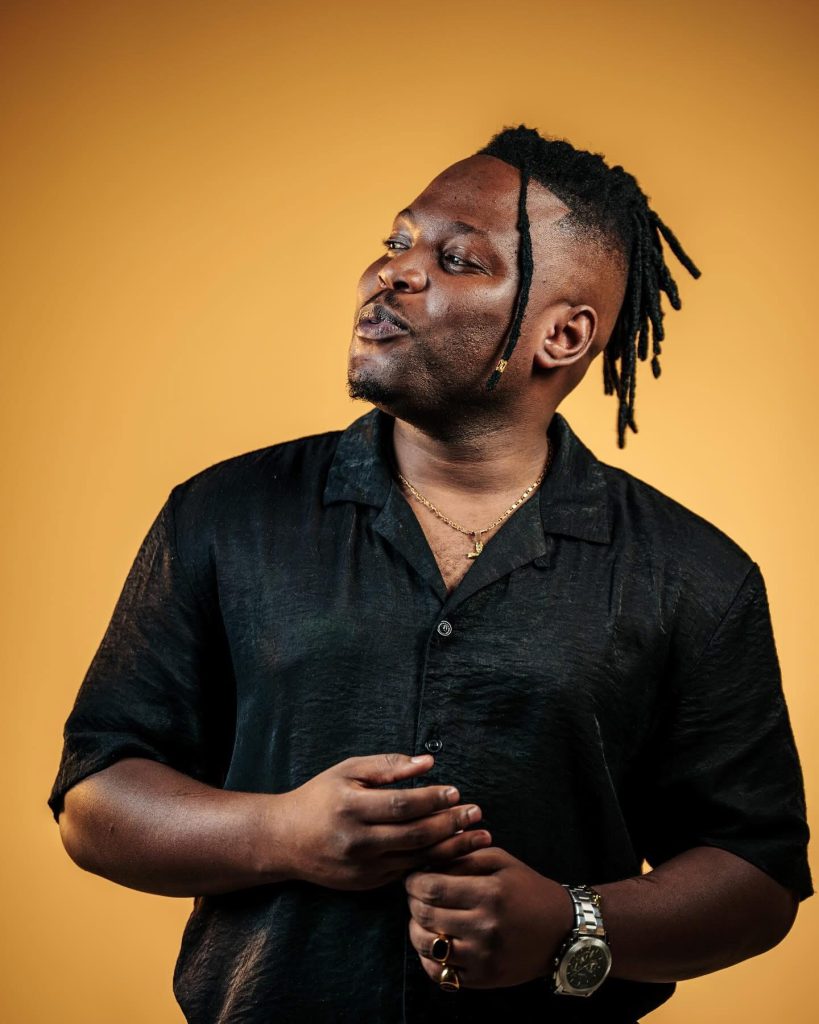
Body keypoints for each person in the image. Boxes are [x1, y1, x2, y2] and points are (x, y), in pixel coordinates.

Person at [48, 125, 811, 1024]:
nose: (393, 272)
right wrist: (282, 833)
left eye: (457, 259)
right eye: (398, 241)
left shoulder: (693, 575)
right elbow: (94, 800)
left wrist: (570, 923)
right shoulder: (224, 514)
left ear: (562, 334)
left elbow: (756, 874)